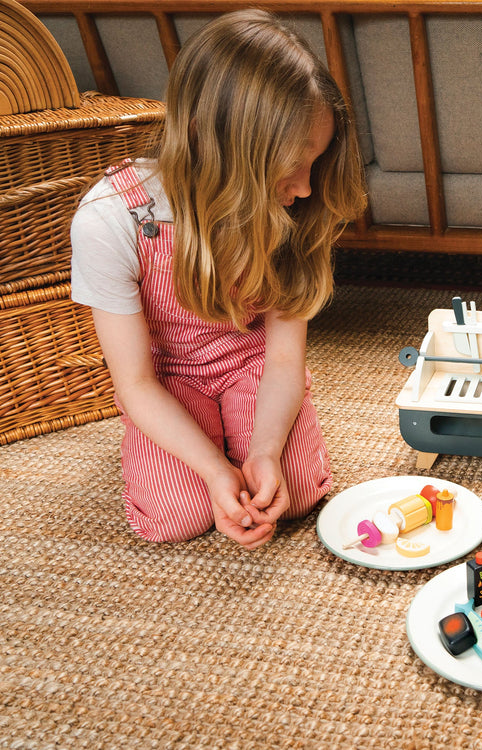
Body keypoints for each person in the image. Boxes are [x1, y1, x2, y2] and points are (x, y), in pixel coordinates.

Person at [70, 10, 366, 549]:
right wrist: (211, 468)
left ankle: (245, 429)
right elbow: (134, 383)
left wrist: (265, 450)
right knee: (175, 519)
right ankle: (210, 438)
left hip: (252, 364)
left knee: (296, 494)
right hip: (166, 380)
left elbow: (280, 358)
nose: (304, 188)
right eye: (291, 165)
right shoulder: (110, 219)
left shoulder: (293, 209)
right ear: (218, 144)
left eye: (314, 164)